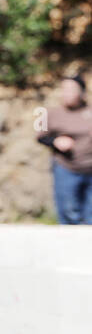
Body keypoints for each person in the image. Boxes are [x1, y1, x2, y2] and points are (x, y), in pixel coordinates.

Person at [37, 73, 92, 224]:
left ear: (82, 92)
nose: (67, 93)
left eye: (71, 89)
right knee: (69, 210)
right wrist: (56, 140)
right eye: (64, 89)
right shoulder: (51, 113)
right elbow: (40, 137)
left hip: (90, 166)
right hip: (67, 168)